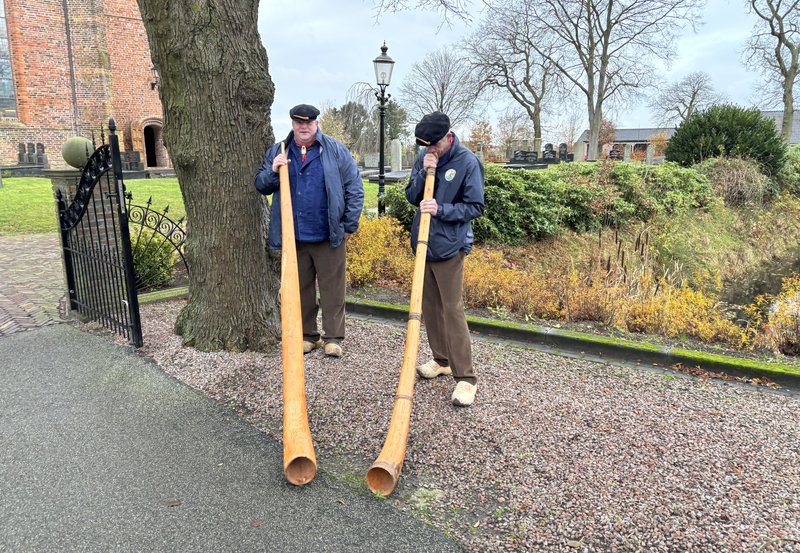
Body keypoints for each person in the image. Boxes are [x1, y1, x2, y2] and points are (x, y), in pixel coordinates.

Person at [254, 103, 364, 358]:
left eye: (309, 123)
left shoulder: (335, 150)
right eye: (299, 123)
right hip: (294, 236)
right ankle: (308, 336)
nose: (304, 127)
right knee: (300, 289)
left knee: (332, 290)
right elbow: (261, 185)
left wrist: (349, 223)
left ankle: (333, 338)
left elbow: (354, 187)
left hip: (328, 233)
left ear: (317, 124)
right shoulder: (278, 151)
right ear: (292, 124)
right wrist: (272, 170)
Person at [405, 112, 485, 406]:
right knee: (430, 307)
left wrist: (442, 209)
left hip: (450, 246)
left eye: (433, 146)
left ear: (447, 138)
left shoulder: (467, 162)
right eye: (424, 147)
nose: (429, 151)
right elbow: (412, 196)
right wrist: (425, 171)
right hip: (423, 245)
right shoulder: (426, 157)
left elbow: (475, 206)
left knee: (452, 309)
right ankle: (442, 360)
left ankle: (466, 378)